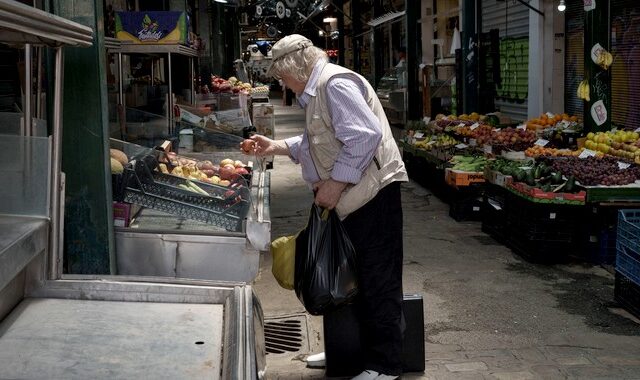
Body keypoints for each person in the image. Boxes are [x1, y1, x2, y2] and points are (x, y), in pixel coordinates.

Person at [240, 34, 408, 380]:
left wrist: (335, 184)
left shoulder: (334, 85)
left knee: (378, 280)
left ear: (293, 67)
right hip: (353, 199)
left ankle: (385, 365)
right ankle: (351, 351)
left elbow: (364, 136)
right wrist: (277, 146)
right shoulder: (316, 92)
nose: (281, 83)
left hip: (373, 197)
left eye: (281, 76)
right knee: (352, 278)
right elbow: (322, 139)